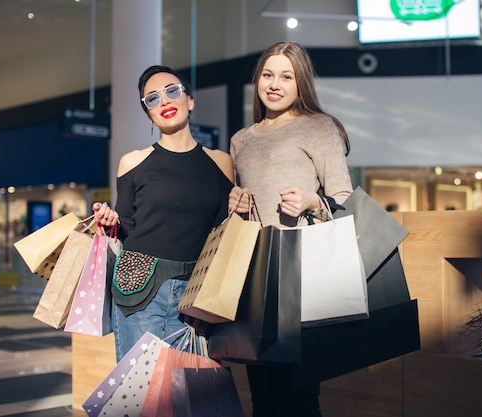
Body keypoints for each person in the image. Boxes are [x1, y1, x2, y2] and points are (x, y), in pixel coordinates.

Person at [228, 41, 353, 417]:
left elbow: (346, 201)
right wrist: (234, 207)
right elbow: (243, 212)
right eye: (268, 74)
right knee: (262, 397)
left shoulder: (319, 127)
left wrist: (314, 202)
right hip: (253, 275)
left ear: (302, 84)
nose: (275, 84)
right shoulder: (241, 139)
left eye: (287, 76)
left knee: (299, 397)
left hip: (302, 275)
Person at [91, 65, 234, 361]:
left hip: (198, 294)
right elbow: (126, 229)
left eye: (172, 91)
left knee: (195, 399)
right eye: (152, 99)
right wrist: (109, 223)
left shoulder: (221, 162)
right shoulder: (132, 162)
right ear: (148, 114)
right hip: (139, 293)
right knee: (143, 399)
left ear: (190, 100)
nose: (165, 102)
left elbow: (223, 235)